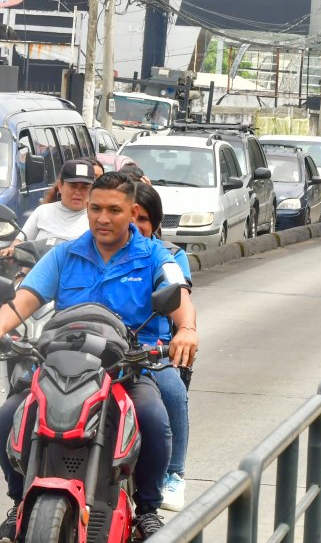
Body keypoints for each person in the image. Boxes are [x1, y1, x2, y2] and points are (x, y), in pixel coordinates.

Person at [0, 172, 199, 540]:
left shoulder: (154, 255)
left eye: (114, 210)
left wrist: (187, 330)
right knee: (8, 417)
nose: (103, 217)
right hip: (64, 360)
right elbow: (27, 296)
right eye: (95, 208)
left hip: (128, 364)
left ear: (132, 212)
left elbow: (178, 295)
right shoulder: (65, 254)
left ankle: (146, 508)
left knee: (154, 418)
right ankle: (18, 501)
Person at [133, 182, 193, 512]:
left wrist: (187, 328)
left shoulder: (166, 256)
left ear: (156, 223)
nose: (133, 225)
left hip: (147, 350)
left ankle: (174, 472)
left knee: (172, 391)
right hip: (93, 346)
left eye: (142, 218)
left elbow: (178, 292)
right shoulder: (87, 250)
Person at [1, 159, 93, 257]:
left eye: (85, 187)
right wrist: (11, 251)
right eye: (73, 186)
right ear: (60, 186)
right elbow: (19, 243)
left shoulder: (96, 218)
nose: (78, 192)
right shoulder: (42, 211)